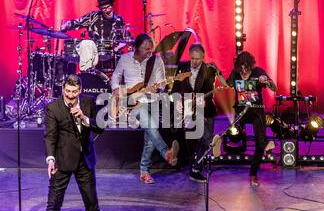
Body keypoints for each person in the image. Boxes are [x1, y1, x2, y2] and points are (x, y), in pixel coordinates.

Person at [35, 74, 102, 211]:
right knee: (53, 204)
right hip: (62, 161)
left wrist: (85, 118)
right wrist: (50, 159)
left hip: (84, 161)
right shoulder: (53, 108)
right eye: (67, 91)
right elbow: (50, 136)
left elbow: (100, 126)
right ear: (63, 89)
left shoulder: (88, 103)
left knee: (92, 203)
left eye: (73, 92)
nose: (70, 96)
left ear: (79, 90)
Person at [111, 33, 179, 184]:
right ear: (137, 48)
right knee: (152, 126)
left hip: (152, 100)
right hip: (133, 102)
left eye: (151, 49)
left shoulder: (157, 60)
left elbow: (162, 83)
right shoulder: (125, 59)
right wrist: (116, 89)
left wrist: (158, 87)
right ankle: (166, 153)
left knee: (150, 137)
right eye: (146, 49)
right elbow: (115, 77)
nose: (150, 52)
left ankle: (144, 171)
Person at [172, 43, 228, 182]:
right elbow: (175, 88)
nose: (195, 62)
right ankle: (194, 166)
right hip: (187, 108)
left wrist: (218, 70)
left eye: (197, 59)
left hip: (206, 108)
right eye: (192, 58)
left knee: (207, 138)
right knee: (192, 139)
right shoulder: (182, 67)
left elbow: (225, 85)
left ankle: (196, 168)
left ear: (203, 57)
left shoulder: (209, 70)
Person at [226, 51, 277, 187]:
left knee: (260, 143)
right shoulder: (235, 73)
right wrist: (217, 73)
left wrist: (267, 81)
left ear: (251, 66)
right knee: (234, 134)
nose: (243, 72)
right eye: (240, 69)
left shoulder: (258, 72)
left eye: (246, 69)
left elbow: (274, 87)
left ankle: (253, 174)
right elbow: (227, 85)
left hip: (256, 110)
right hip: (241, 111)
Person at [61, 0, 126, 70]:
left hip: (113, 55)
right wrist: (66, 25)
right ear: (100, 9)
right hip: (94, 54)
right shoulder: (93, 17)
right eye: (104, 8)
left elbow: (123, 40)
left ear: (112, 6)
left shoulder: (119, 20)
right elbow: (78, 22)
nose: (107, 10)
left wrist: (117, 48)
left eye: (109, 7)